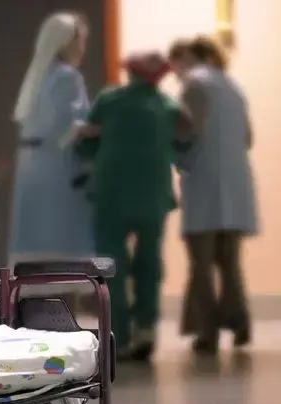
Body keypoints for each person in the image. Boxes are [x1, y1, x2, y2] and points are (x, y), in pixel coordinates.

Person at [75, 52, 194, 362]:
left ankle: (120, 337)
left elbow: (86, 141)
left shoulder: (110, 101)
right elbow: (186, 141)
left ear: (130, 73)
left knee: (112, 266)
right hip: (153, 196)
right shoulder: (168, 107)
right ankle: (147, 330)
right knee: (149, 263)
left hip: (111, 193)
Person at [168, 35, 258, 355]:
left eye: (177, 63)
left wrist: (172, 156)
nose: (174, 70)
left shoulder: (195, 85)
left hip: (205, 183)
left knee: (202, 263)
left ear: (191, 58)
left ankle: (206, 333)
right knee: (230, 263)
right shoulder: (233, 87)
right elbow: (248, 138)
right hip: (235, 185)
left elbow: (185, 132)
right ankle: (240, 323)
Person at [9, 12, 96, 266]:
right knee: (62, 237)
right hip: (59, 166)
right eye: (80, 40)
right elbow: (68, 126)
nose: (83, 47)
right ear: (67, 41)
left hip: (31, 165)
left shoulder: (37, 76)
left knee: (34, 235)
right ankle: (67, 298)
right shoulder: (68, 76)